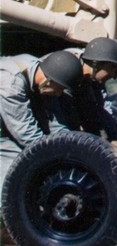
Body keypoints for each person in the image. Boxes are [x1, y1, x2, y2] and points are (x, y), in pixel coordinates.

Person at [1, 51, 83, 189]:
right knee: (17, 162)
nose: (58, 94)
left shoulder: (43, 72)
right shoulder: (12, 84)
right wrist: (56, 157)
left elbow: (55, 124)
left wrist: (71, 147)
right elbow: (26, 134)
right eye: (60, 89)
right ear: (48, 81)